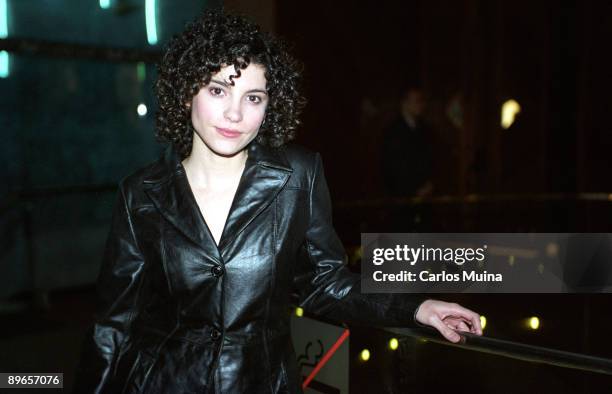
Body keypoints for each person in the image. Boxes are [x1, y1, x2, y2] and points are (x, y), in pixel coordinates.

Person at [74, 10, 481, 394]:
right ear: (186, 94)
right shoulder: (141, 192)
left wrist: (416, 308)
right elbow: (113, 325)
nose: (234, 113)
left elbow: (327, 282)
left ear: (269, 107)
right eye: (218, 90)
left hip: (263, 382)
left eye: (253, 98)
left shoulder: (298, 177)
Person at [381, 87, 433, 198]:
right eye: (416, 101)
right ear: (405, 103)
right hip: (402, 196)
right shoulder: (393, 131)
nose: (421, 105)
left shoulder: (424, 130)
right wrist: (413, 190)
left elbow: (428, 159)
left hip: (424, 195)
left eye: (421, 101)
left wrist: (428, 184)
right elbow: (394, 166)